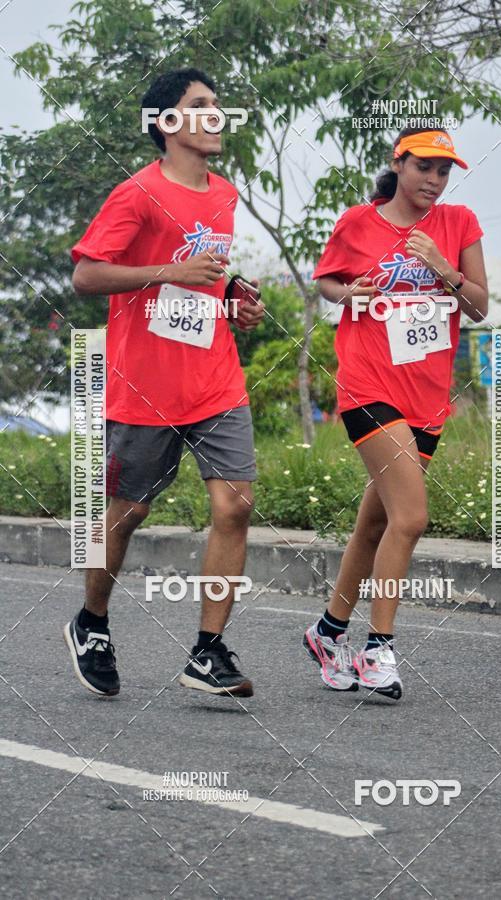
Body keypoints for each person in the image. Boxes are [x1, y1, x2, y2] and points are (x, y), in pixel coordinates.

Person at [64, 68, 264, 699]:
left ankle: (207, 652)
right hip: (145, 384)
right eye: (201, 105)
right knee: (128, 512)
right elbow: (87, 277)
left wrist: (233, 299)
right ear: (168, 123)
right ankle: (92, 622)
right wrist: (166, 272)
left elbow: (204, 277)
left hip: (215, 378)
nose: (216, 114)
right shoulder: (137, 194)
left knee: (235, 506)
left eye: (218, 104)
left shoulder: (224, 194)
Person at [304, 124, 488, 699]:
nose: (434, 179)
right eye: (423, 167)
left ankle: (327, 632)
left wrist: (443, 268)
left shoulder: (459, 224)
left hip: (427, 397)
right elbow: (327, 282)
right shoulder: (358, 222)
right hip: (369, 386)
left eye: (443, 170)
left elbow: (479, 307)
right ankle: (378, 649)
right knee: (410, 518)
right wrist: (348, 294)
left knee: (376, 524)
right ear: (399, 163)